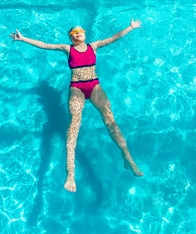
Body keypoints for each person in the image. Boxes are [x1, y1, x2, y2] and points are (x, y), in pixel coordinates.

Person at [10, 18, 144, 192]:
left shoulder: (93, 46)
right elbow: (45, 45)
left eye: (81, 31)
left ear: (85, 34)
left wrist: (130, 27)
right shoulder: (67, 49)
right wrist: (23, 39)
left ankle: (127, 158)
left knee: (110, 119)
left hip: (94, 86)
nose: (78, 33)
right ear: (70, 37)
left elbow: (112, 38)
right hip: (77, 89)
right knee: (74, 126)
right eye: (74, 32)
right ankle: (70, 173)